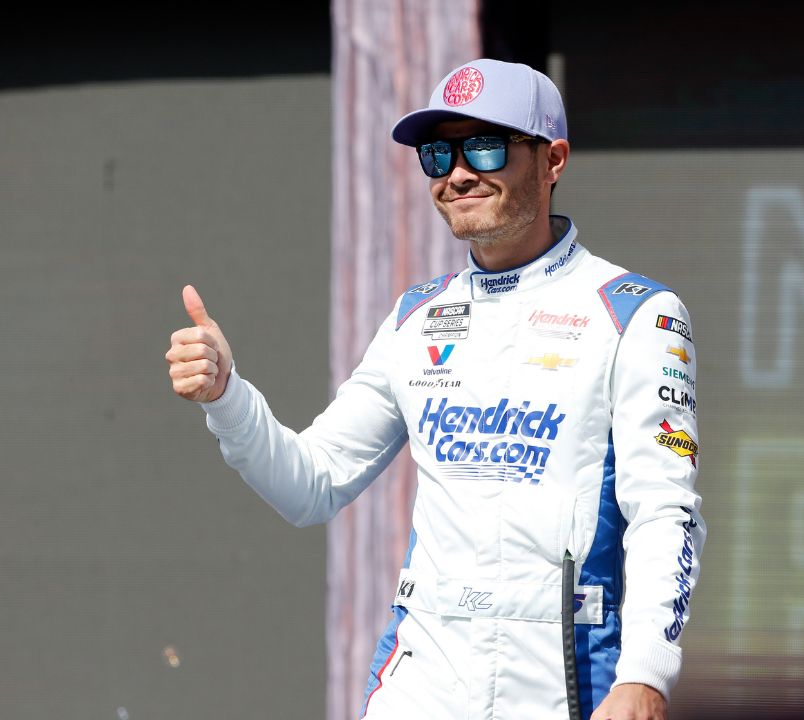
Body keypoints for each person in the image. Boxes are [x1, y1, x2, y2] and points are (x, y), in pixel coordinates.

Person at [166, 58, 705, 720]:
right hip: (422, 680)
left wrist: (645, 676)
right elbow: (309, 484)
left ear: (552, 159)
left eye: (484, 144)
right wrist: (227, 397)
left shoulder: (636, 313)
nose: (457, 173)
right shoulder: (414, 318)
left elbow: (667, 515)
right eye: (437, 152)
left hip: (566, 678)